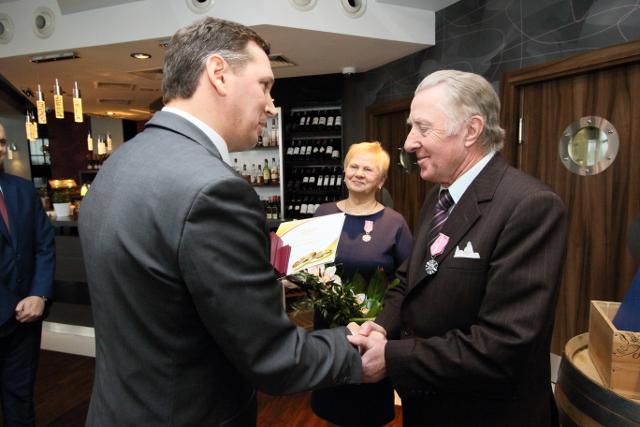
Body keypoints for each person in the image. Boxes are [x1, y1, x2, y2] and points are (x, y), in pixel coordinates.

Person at [78, 17, 362, 426]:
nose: (271, 105)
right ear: (219, 74)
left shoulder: (119, 162)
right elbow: (273, 358)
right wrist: (353, 349)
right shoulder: (214, 189)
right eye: (264, 85)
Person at [349, 70, 568, 426]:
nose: (409, 143)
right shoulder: (438, 196)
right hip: (429, 407)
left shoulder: (530, 206)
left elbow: (503, 345)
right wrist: (381, 327)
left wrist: (393, 357)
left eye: (423, 128)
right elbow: (409, 280)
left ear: (471, 130)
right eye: (411, 128)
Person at [311, 141, 412, 426]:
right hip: (330, 332)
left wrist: (382, 326)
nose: (358, 173)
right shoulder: (323, 213)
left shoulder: (394, 223)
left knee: (367, 414)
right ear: (344, 172)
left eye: (368, 169)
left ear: (381, 180)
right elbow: (309, 265)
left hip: (372, 336)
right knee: (332, 410)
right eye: (353, 166)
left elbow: (407, 280)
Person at [0, 122, 55, 427]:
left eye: (1, 142)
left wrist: (39, 293)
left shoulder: (21, 189)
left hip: (24, 319)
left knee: (20, 399)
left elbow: (44, 245)